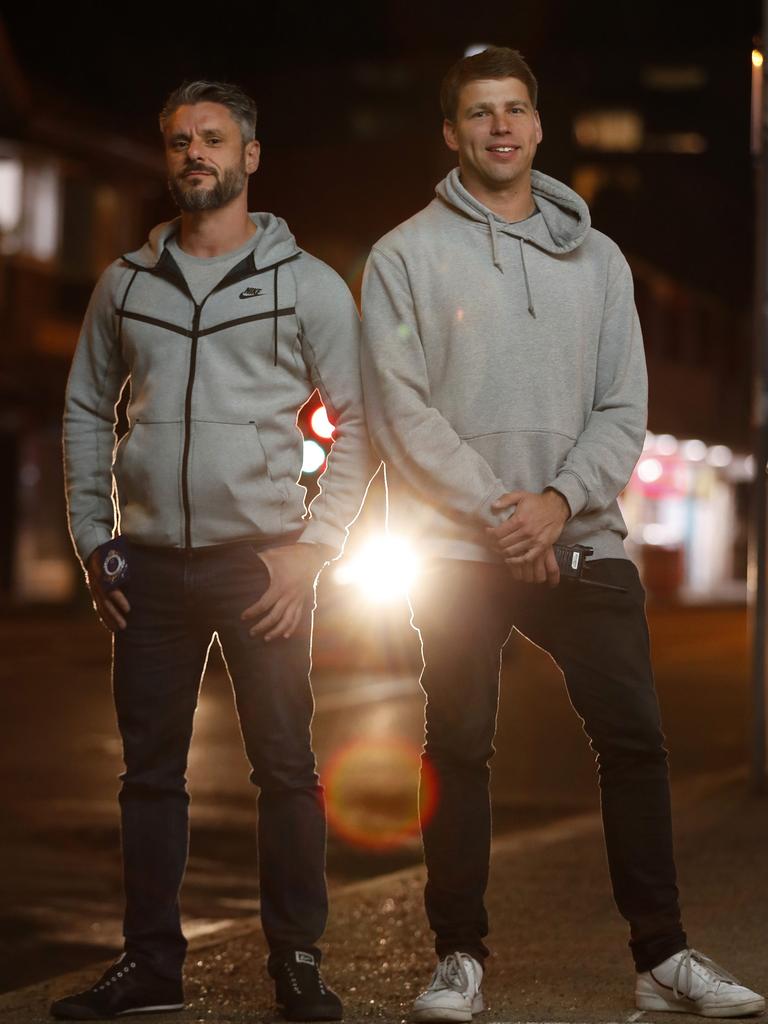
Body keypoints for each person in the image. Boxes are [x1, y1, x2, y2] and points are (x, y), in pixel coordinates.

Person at [361, 46, 764, 1023]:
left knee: (635, 741)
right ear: (452, 134)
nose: (500, 126)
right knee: (458, 745)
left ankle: (661, 960)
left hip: (583, 541)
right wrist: (507, 514)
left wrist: (556, 501)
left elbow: (624, 404)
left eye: (515, 110)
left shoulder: (599, 259)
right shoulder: (403, 256)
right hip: (460, 552)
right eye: (478, 112)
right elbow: (399, 410)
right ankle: (458, 958)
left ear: (538, 127)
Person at [55, 79, 374, 1022]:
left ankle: (298, 961)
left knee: (284, 767)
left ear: (250, 157)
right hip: (146, 569)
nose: (194, 153)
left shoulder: (307, 282)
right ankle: (151, 967)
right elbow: (84, 410)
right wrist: (93, 537)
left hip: (263, 564)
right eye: (179, 140)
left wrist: (313, 549)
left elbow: (359, 425)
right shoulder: (124, 283)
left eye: (213, 139)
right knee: (148, 775)